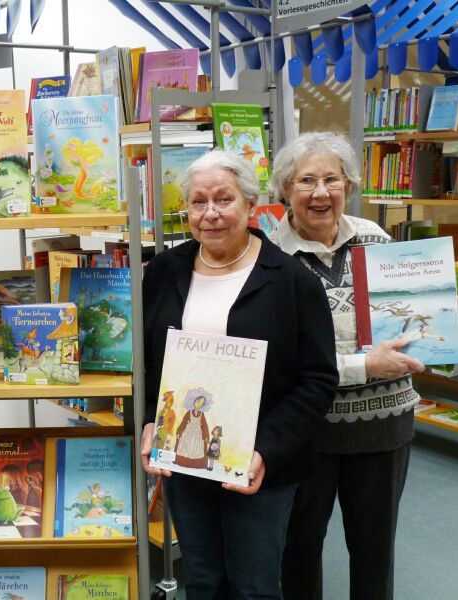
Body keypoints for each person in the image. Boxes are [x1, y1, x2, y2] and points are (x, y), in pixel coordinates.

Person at [269, 132, 458, 600]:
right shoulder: (267, 257)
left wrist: (456, 327)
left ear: (349, 184)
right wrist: (363, 366)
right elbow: (277, 361)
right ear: (285, 189)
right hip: (304, 433)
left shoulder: (376, 240)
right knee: (299, 549)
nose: (321, 192)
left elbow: (409, 331)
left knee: (374, 550)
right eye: (307, 180)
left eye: (333, 179)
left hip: (383, 426)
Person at [140, 149, 340, 599]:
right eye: (198, 202)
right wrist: (153, 421)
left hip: (259, 467)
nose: (210, 213)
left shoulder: (292, 281)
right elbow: (153, 363)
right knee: (204, 579)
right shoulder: (165, 271)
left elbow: (318, 380)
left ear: (251, 206)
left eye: (224, 199)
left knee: (255, 586)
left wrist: (265, 451)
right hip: (186, 460)